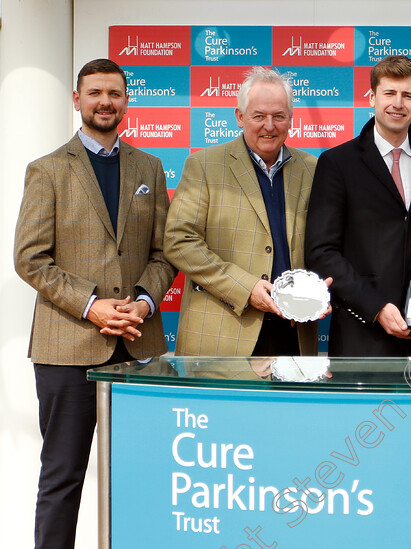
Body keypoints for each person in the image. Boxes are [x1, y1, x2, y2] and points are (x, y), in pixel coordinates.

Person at [13, 58, 175, 548]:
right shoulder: (46, 170)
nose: (106, 102)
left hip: (138, 345)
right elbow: (29, 259)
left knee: (143, 476)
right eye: (96, 93)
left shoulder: (148, 167)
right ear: (77, 100)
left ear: (127, 100)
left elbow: (164, 252)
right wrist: (91, 305)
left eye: (115, 93)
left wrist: (144, 303)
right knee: (62, 479)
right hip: (67, 350)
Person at [165, 67, 323, 356]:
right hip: (222, 336)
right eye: (258, 116)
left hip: (294, 333)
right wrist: (247, 288)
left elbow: (322, 243)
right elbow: (179, 241)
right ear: (240, 117)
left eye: (278, 116)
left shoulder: (313, 169)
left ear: (291, 119)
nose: (269, 126)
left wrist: (318, 291)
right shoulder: (204, 165)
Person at [305, 55, 411, 357]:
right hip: (361, 334)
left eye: (407, 95)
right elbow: (322, 252)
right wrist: (376, 307)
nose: (398, 103)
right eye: (389, 93)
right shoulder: (337, 163)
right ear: (371, 97)